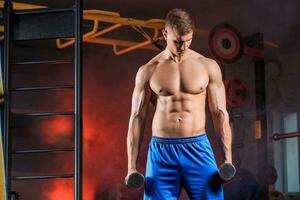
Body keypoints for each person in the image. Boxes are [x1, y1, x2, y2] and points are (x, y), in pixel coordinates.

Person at [126, 8, 232, 200]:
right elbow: (137, 118)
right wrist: (131, 167)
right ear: (165, 34)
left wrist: (228, 159)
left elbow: (219, 113)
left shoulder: (207, 66)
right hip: (161, 152)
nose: (183, 46)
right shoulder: (148, 70)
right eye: (177, 41)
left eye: (188, 40)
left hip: (198, 148)